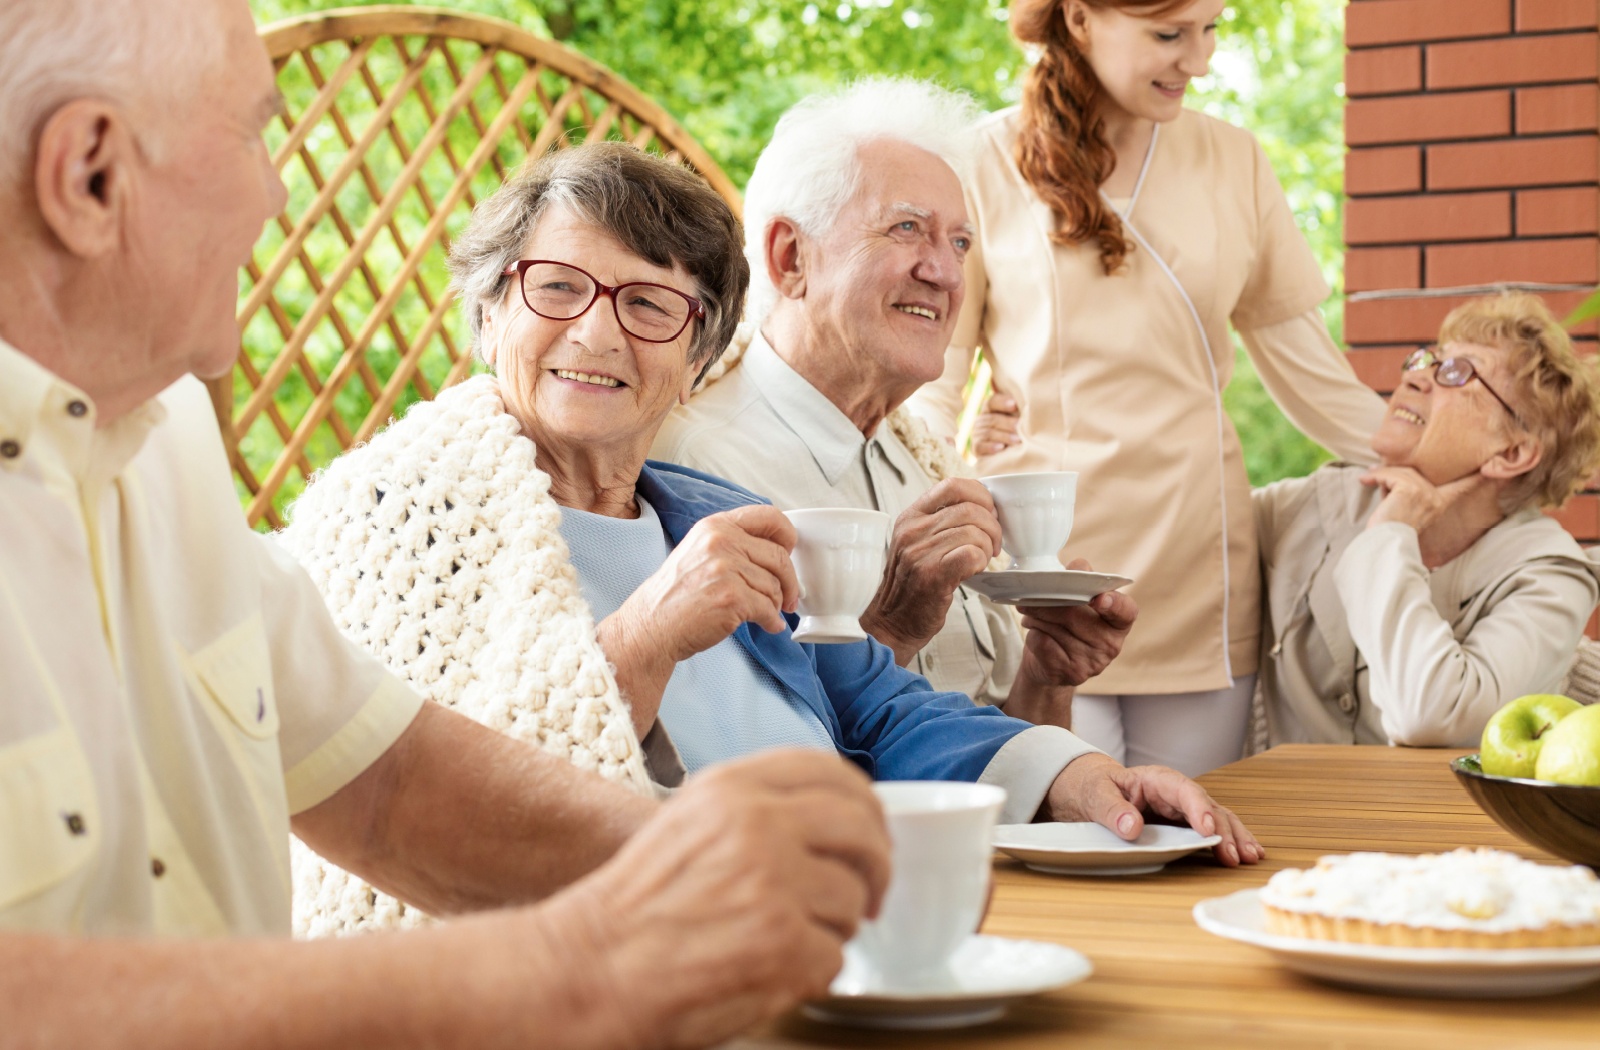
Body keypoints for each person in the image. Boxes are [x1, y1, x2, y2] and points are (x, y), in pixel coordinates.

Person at [0, 1, 901, 1044]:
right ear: (90, 175)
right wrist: (575, 967)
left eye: (650, 305)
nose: (275, 190)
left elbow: (387, 785)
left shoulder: (163, 450)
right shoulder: (393, 509)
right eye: (250, 133)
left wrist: (721, 870)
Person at [281, 140, 1263, 911]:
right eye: (557, 287)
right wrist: (647, 633)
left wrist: (1087, 779)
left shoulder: (708, 514)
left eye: (651, 304)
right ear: (491, 312)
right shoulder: (392, 518)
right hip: (634, 954)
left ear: (699, 353)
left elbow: (878, 707)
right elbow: (433, 815)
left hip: (842, 915)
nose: (595, 332)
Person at [907, 0, 1388, 776]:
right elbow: (930, 378)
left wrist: (1447, 463)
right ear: (1081, 18)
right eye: (1169, 34)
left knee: (1186, 838)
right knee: (1059, 830)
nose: (1197, 60)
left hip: (1196, 568)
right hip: (1038, 567)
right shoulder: (978, 162)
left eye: (1211, 30)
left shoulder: (1235, 161)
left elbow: (1311, 371)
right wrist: (930, 487)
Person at [651, 78, 1137, 730]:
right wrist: (893, 624)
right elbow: (740, 756)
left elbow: (995, 744)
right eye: (908, 228)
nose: (944, 273)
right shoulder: (698, 467)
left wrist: (1046, 679)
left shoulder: (925, 467)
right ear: (790, 257)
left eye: (960, 243)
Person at [1255, 294, 1600, 748]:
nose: (1415, 377)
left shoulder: (1550, 578)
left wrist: (1389, 536)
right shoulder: (1310, 505)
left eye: (1457, 372)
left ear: (1511, 452)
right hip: (1266, 815)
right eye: (1425, 360)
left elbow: (1431, 715)